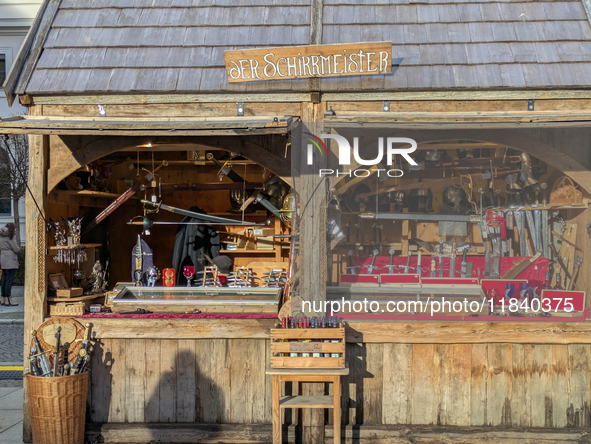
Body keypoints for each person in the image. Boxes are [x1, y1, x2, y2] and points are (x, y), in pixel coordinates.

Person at [0, 223, 19, 306]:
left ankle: (3, 299)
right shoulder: (10, 237)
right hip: (10, 260)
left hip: (3, 258)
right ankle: (8, 299)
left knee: (4, 279)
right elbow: (16, 249)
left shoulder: (1, 236)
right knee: (9, 280)